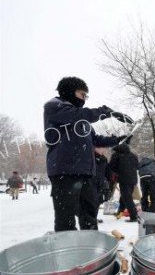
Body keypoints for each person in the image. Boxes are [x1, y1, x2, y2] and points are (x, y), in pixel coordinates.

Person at [44, 76, 133, 231]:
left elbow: (96, 139)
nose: (84, 99)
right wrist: (107, 112)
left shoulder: (83, 123)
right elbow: (77, 115)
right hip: (65, 171)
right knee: (66, 216)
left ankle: (91, 246)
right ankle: (67, 249)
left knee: (89, 212)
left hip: (85, 172)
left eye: (86, 96)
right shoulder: (54, 106)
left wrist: (118, 140)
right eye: (82, 94)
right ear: (69, 92)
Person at [110, 143, 139, 222]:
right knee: (125, 196)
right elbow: (137, 166)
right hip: (133, 179)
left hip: (123, 179)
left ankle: (134, 216)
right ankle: (120, 213)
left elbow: (112, 167)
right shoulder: (133, 155)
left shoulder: (116, 155)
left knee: (127, 198)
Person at [93, 147, 113, 224]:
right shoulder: (90, 157)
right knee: (91, 200)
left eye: (104, 148)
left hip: (100, 183)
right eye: (101, 148)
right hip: (91, 182)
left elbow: (108, 171)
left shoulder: (103, 159)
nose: (103, 150)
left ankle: (93, 217)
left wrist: (109, 178)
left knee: (98, 201)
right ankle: (90, 218)